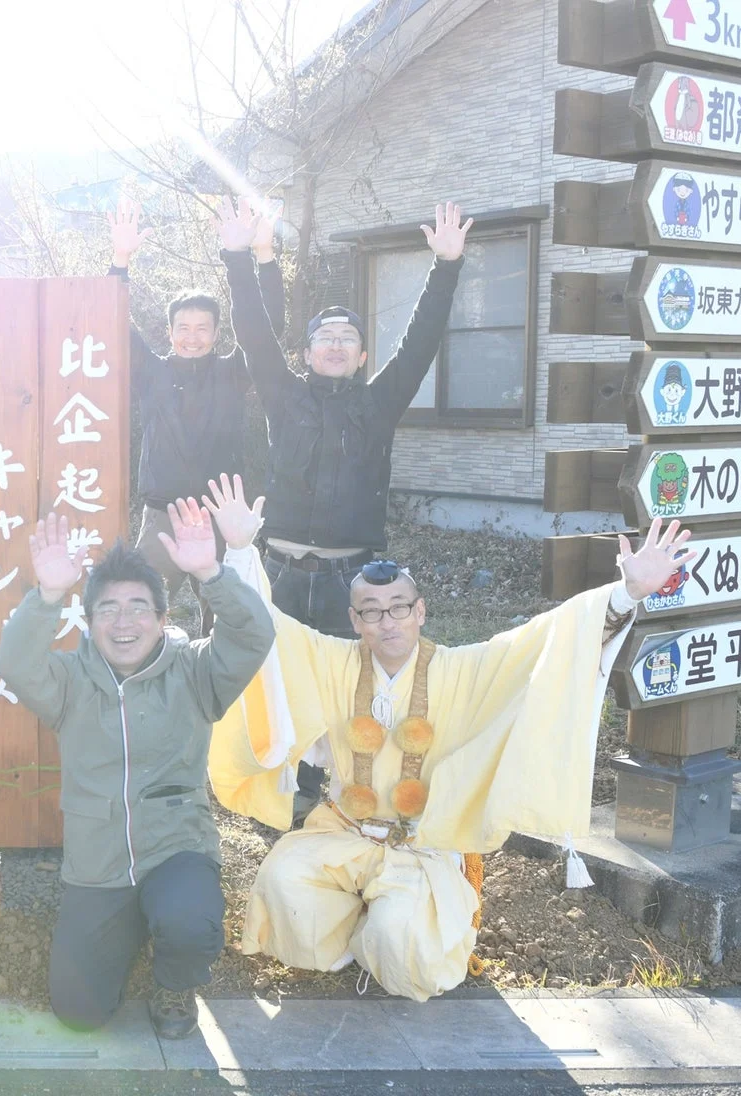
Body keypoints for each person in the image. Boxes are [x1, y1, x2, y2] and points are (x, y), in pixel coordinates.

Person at [201, 474, 691, 1001]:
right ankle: (351, 935)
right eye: (371, 611)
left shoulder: (463, 670)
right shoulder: (331, 662)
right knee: (283, 885)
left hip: (424, 843)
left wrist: (626, 593)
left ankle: (388, 928)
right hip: (343, 831)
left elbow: (545, 644)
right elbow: (265, 632)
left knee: (407, 951)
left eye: (398, 608)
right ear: (355, 619)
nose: (386, 622)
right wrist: (239, 550)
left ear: (420, 612)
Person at [221, 197, 470, 822]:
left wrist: (445, 268)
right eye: (324, 338)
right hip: (279, 572)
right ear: (307, 354)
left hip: (347, 578)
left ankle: (327, 800)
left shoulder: (377, 404)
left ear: (362, 357)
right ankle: (268, 793)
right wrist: (235, 256)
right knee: (271, 679)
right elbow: (253, 334)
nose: (335, 345)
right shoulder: (285, 397)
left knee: (340, 694)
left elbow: (419, 345)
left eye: (347, 339)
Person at [0, 505, 275, 1040]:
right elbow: (15, 663)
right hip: (97, 864)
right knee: (79, 1012)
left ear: (163, 618)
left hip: (176, 848)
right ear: (90, 620)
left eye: (139, 608)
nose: (124, 623)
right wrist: (47, 594)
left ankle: (174, 982)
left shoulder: (195, 670)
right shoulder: (70, 680)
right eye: (108, 610)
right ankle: (129, 929)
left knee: (189, 923)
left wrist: (211, 574)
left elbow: (253, 635)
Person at [106, 198, 283, 636]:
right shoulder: (151, 371)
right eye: (183, 328)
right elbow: (110, 323)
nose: (192, 337)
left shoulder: (232, 371)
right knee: (139, 615)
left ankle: (223, 705)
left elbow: (267, 329)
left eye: (203, 328)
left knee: (226, 625)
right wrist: (120, 260)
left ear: (217, 333)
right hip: (161, 516)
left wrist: (264, 256)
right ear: (169, 332)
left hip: (221, 516)